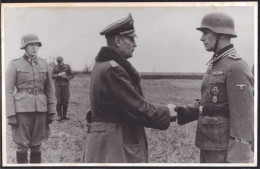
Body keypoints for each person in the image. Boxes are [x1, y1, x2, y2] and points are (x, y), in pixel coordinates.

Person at [81, 13, 177, 163]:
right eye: (131, 39)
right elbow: (136, 108)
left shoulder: (102, 66)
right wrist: (167, 111)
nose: (135, 44)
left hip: (106, 140)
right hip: (115, 143)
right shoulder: (113, 69)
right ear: (118, 40)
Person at [174, 12, 254, 163]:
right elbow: (210, 101)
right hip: (208, 144)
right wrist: (185, 112)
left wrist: (238, 158)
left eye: (205, 32)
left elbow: (244, 116)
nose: (201, 38)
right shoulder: (216, 63)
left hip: (223, 150)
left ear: (221, 35)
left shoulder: (236, 66)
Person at [5, 34, 56, 163]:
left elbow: (49, 89)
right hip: (21, 110)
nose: (35, 48)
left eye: (37, 45)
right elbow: (8, 91)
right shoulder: (14, 64)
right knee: (22, 145)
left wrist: (51, 110)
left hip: (41, 109)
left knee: (37, 145)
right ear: (25, 47)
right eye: (31, 45)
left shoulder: (44, 64)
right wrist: (10, 114)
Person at [51, 56, 74, 121]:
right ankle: (59, 116)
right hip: (58, 86)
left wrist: (67, 77)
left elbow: (72, 75)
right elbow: (51, 75)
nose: (60, 63)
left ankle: (64, 115)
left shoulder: (67, 66)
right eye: (59, 62)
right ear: (57, 62)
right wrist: (58, 75)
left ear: (63, 60)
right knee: (59, 102)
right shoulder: (55, 67)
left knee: (65, 101)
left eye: (61, 61)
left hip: (65, 86)